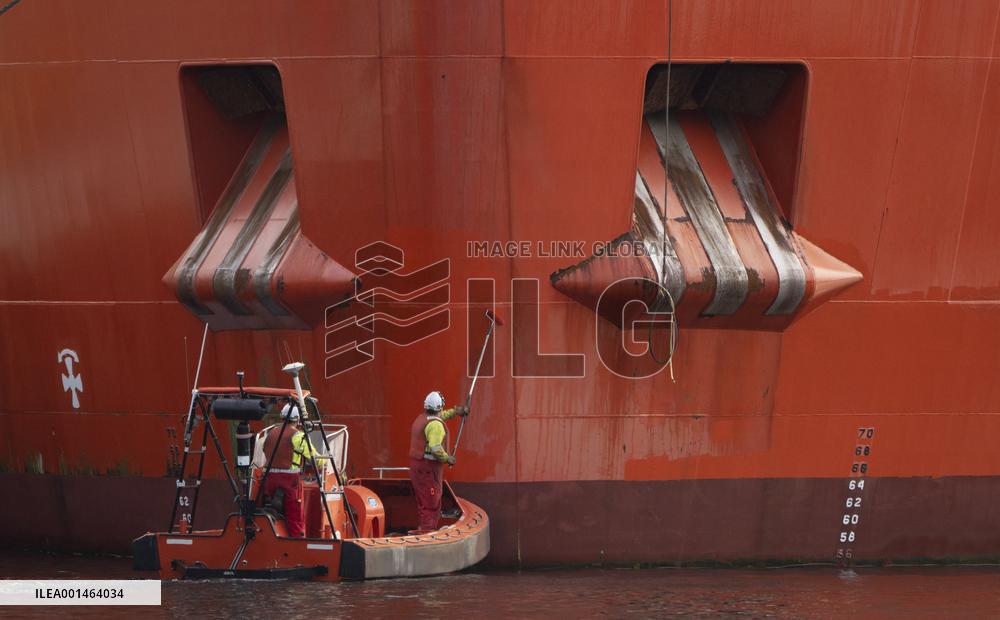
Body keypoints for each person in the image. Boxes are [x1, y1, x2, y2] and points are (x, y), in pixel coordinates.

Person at [409, 391, 469, 531]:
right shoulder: (436, 426)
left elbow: (439, 416)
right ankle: (427, 535)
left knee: (423, 502)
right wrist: (448, 458)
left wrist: (456, 411)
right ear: (440, 406)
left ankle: (424, 529)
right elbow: (435, 448)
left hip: (417, 467)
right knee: (431, 504)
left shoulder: (423, 418)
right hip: (428, 470)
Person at [258, 402, 316, 537]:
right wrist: (328, 464)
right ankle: (298, 546)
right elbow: (314, 458)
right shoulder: (298, 436)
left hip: (269, 480)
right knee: (295, 517)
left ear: (282, 417)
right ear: (298, 420)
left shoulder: (271, 433)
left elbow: (265, 450)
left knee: (272, 513)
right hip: (290, 483)